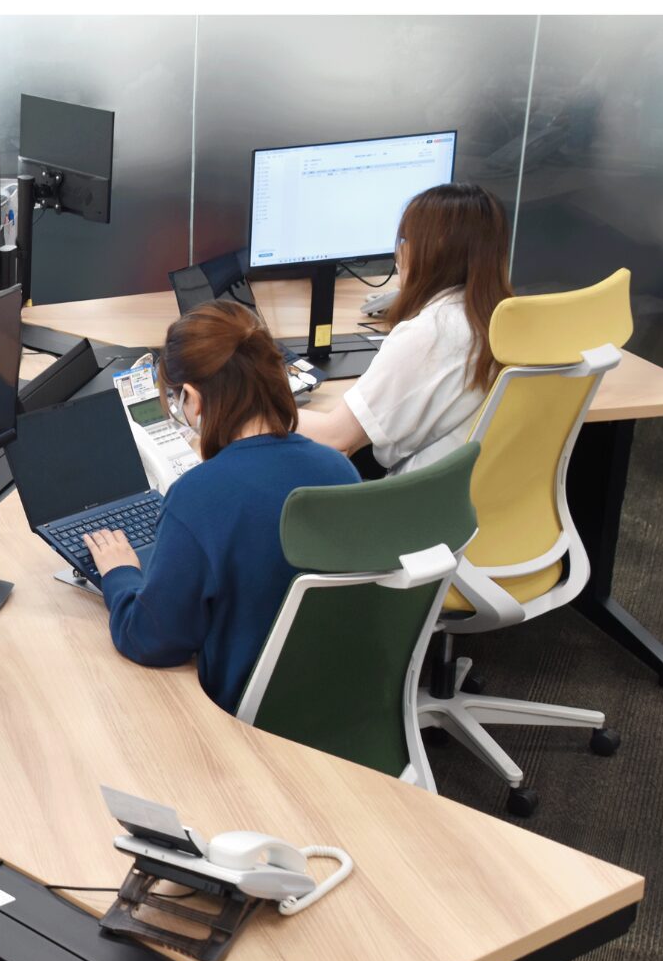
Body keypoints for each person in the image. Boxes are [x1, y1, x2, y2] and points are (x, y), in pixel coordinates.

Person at [83, 300, 359, 713]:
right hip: (339, 696)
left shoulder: (198, 496)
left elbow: (151, 639)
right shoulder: (340, 470)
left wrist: (119, 574)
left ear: (193, 398)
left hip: (246, 710)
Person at [298, 182, 512, 473]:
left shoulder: (432, 332)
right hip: (488, 492)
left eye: (406, 240)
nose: (399, 253)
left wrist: (258, 411)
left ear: (433, 249)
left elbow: (336, 437)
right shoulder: (504, 318)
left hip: (422, 496)